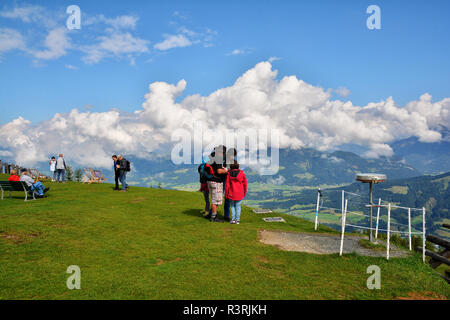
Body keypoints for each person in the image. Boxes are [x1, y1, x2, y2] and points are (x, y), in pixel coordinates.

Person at [206, 147, 228, 222]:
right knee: (216, 200)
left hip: (210, 181)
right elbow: (219, 171)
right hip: (216, 181)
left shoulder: (212, 157)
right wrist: (226, 171)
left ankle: (212, 215)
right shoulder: (218, 158)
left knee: (213, 199)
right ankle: (214, 217)